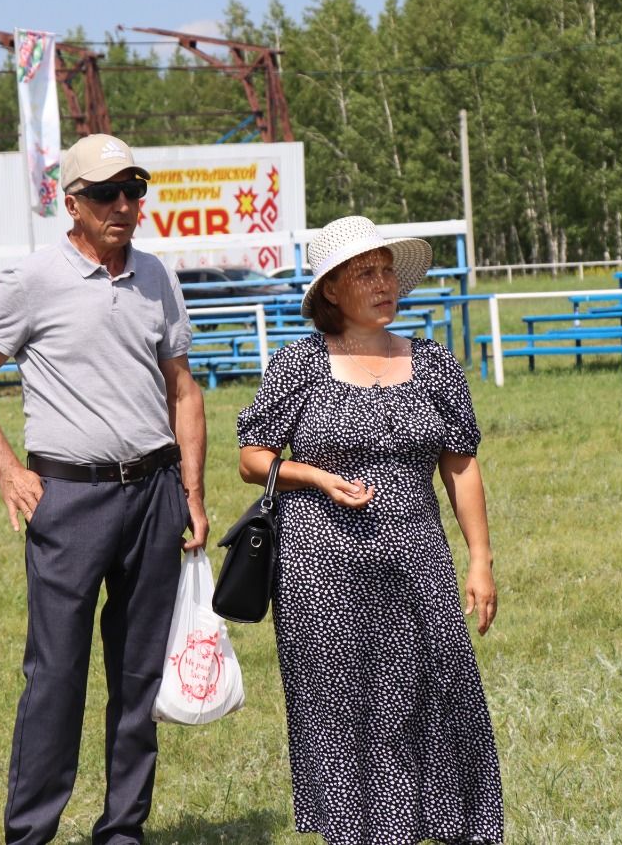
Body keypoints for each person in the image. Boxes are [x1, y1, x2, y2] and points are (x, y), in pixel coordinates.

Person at [0, 133, 208, 845]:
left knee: (139, 678)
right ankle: (30, 833)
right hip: (69, 500)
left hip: (154, 493)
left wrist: (191, 490)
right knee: (57, 678)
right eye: (105, 194)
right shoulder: (33, 280)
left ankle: (122, 830)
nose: (124, 205)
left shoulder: (156, 275)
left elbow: (182, 390)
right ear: (73, 203)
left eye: (133, 190)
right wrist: (7, 469)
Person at [235, 215, 504, 845]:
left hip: (420, 562)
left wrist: (481, 559)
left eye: (387, 270)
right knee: (340, 710)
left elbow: (461, 467)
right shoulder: (298, 365)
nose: (384, 284)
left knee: (437, 700)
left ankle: (437, 828)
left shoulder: (434, 364)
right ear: (332, 289)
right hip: (320, 570)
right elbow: (252, 460)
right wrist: (315, 477)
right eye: (366, 273)